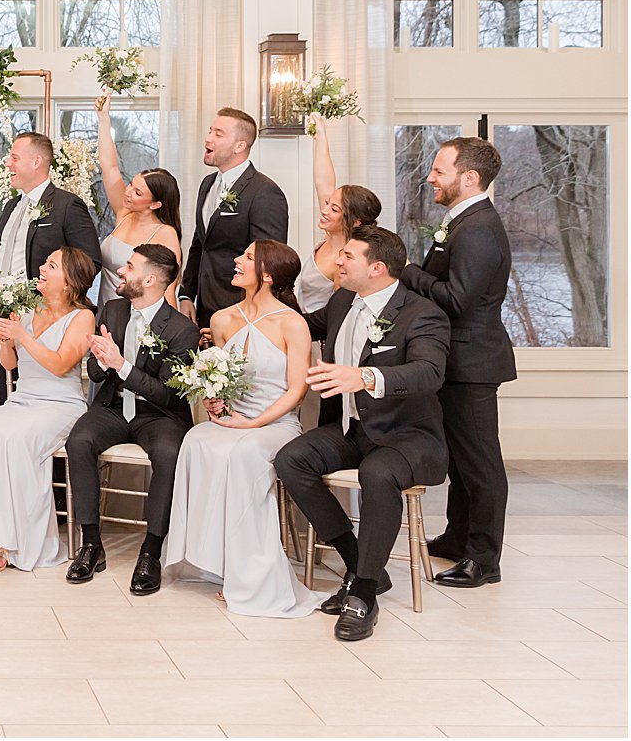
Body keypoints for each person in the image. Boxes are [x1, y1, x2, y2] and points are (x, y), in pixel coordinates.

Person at [276, 225, 451, 641]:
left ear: (377, 268)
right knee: (290, 459)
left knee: (378, 474)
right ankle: (358, 564)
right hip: (352, 430)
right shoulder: (341, 302)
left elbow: (430, 372)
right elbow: (300, 325)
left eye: (347, 256)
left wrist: (365, 376)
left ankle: (365, 594)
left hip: (408, 436)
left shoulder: (422, 313)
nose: (337, 260)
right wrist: (245, 321)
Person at [162, 240, 320, 618]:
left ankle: (249, 574)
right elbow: (220, 378)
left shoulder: (292, 323)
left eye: (247, 258)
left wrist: (254, 422)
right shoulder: (220, 319)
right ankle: (207, 559)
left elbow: (297, 391)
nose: (236, 260)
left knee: (243, 451)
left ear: (267, 274)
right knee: (196, 439)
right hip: (234, 418)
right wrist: (214, 400)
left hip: (276, 422)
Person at [400, 136, 514, 588]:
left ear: (469, 178)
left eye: (439, 171)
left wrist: (406, 269)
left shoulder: (479, 228)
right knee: (462, 461)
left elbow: (458, 300)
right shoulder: (463, 222)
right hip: (458, 360)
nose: (430, 178)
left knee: (481, 464)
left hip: (473, 363)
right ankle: (458, 537)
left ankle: (484, 559)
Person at [65, 244, 199, 592]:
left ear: (150, 279)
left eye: (129, 266)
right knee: (78, 441)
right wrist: (100, 358)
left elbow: (169, 394)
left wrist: (120, 363)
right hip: (113, 407)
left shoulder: (182, 330)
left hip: (159, 416)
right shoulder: (112, 310)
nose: (121, 272)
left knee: (169, 454)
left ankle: (151, 552)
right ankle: (91, 544)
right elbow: (95, 374)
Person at [0, 247, 97, 572]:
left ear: (69, 281)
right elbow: (11, 364)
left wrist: (22, 335)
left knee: (18, 442)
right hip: (24, 397)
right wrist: (6, 340)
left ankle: (5, 544)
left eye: (51, 265)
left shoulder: (83, 317)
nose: (41, 269)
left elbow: (60, 365)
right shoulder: (27, 309)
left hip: (61, 404)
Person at [0, 132, 102, 403]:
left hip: (42, 320)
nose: (7, 164)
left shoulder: (67, 205)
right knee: (7, 396)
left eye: (14, 158)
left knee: (40, 394)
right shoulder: (11, 206)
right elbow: (0, 258)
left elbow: (90, 262)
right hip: (2, 318)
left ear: (36, 162)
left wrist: (52, 303)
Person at [178, 108, 289, 329]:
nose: (208, 138)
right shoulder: (207, 184)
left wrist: (245, 313)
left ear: (240, 146)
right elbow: (200, 244)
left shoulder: (265, 192)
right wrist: (186, 295)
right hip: (204, 308)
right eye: (210, 131)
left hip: (241, 312)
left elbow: (267, 260)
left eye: (219, 134)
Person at [94, 93, 183, 305]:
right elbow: (109, 166)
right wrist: (103, 119)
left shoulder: (165, 234)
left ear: (155, 204)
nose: (128, 192)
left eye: (138, 192)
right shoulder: (124, 213)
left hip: (139, 316)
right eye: (132, 184)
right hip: (106, 310)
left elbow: (168, 289)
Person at [296, 117, 382, 313]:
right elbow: (323, 182)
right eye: (328, 204)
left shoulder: (346, 260)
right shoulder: (330, 236)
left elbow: (337, 314)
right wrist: (321, 138)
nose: (325, 211)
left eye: (334, 209)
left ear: (355, 221)